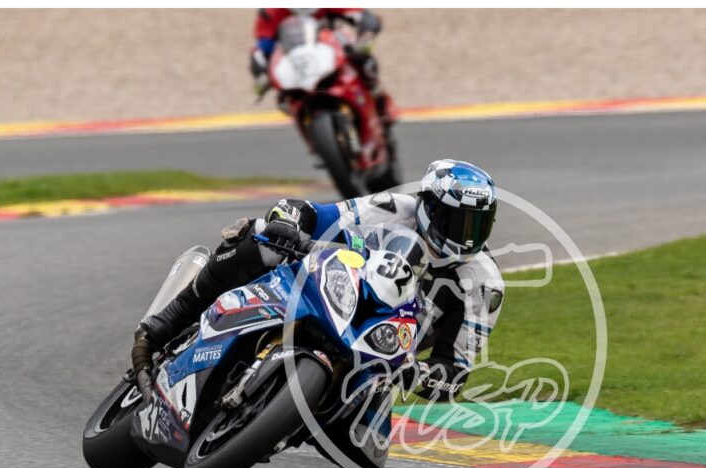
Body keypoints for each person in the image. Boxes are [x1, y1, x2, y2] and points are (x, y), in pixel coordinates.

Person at [132, 159, 503, 403]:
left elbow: (455, 371)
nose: (465, 236)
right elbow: (316, 213)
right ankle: (166, 323)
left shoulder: (484, 284)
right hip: (333, 294)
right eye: (457, 221)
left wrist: (421, 374)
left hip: (378, 358)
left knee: (364, 457)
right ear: (428, 206)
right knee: (257, 238)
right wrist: (288, 223)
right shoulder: (394, 209)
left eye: (477, 225)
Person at [250, 8, 396, 125]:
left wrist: (366, 35)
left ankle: (380, 100)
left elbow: (363, 17)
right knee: (283, 100)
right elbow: (261, 48)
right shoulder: (271, 11)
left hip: (334, 48)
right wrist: (261, 74)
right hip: (296, 64)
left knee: (364, 63)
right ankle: (311, 130)